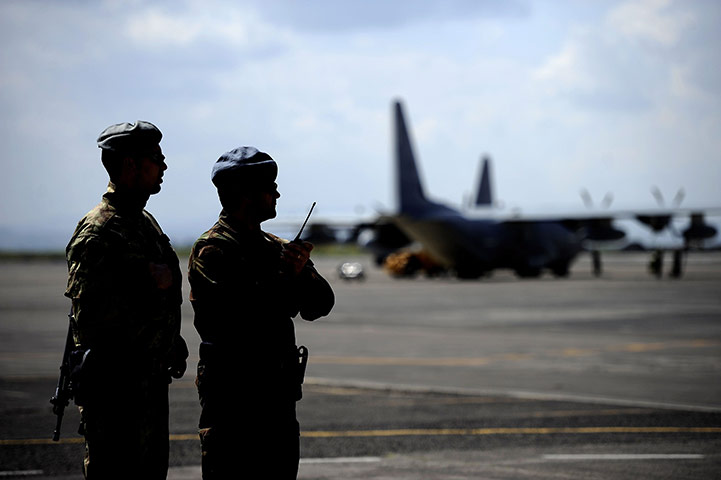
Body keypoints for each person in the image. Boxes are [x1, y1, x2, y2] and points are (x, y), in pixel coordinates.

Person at [188, 146, 335, 479]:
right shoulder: (213, 250)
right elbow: (244, 316)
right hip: (234, 401)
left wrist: (302, 272)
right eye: (270, 187)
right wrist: (286, 275)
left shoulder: (275, 248)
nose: (277, 194)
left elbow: (320, 304)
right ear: (245, 194)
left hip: (276, 398)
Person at [64, 121, 188, 479]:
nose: (163, 167)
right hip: (115, 396)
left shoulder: (144, 221)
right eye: (156, 158)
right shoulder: (99, 231)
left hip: (149, 388)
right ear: (131, 164)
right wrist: (150, 285)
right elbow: (89, 321)